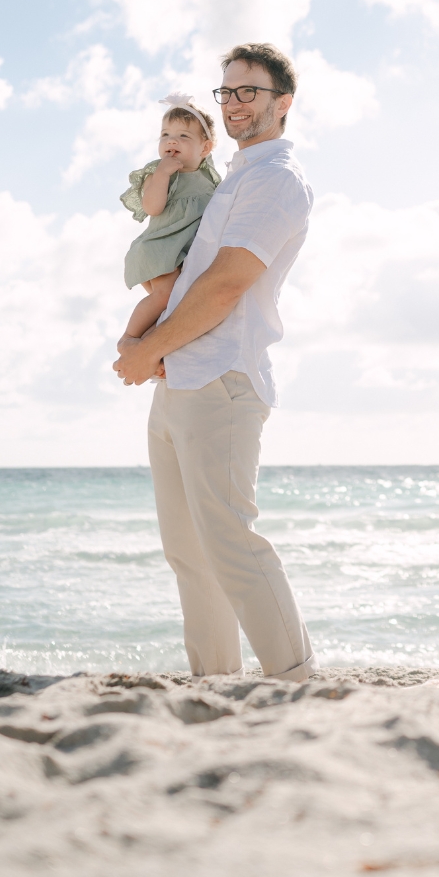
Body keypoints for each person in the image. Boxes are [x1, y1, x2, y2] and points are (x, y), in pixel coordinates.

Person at [112, 44, 316, 682]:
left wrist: (148, 348)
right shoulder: (232, 179)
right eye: (226, 92)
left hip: (223, 381)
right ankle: (214, 685)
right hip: (182, 380)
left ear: (282, 104)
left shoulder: (278, 179)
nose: (233, 103)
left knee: (231, 545)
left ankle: (297, 681)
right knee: (189, 555)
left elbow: (228, 282)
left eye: (248, 91)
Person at [118, 94, 221, 344]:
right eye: (165, 134)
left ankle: (156, 353)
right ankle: (129, 339)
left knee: (172, 311)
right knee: (165, 298)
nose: (172, 140)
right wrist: (162, 174)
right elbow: (152, 208)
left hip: (180, 253)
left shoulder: (210, 179)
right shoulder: (161, 174)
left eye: (184, 135)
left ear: (205, 148)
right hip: (160, 250)